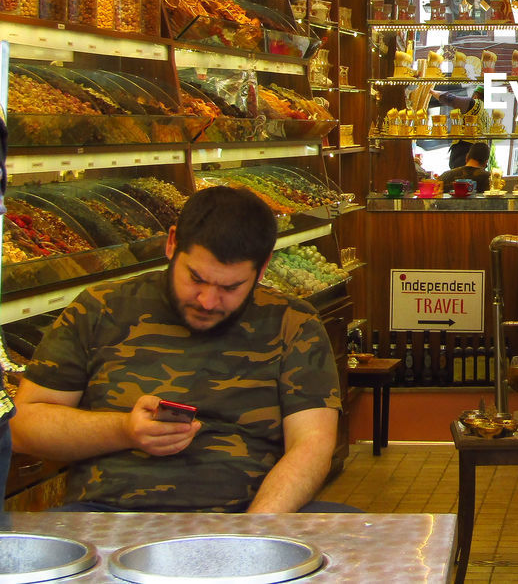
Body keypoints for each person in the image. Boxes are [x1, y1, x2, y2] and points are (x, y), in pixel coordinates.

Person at [10, 186, 342, 513]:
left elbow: (312, 443)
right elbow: (24, 425)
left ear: (264, 266)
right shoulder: (100, 309)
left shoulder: (293, 323)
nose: (208, 301)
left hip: (247, 513)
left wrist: (253, 533)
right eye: (196, 278)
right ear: (172, 243)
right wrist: (124, 431)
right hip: (108, 514)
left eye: (231, 287)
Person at [428, 85, 489, 168]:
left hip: (465, 156)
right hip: (478, 160)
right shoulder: (486, 114)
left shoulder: (474, 104)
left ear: (475, 96)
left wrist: (431, 91)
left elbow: (450, 98)